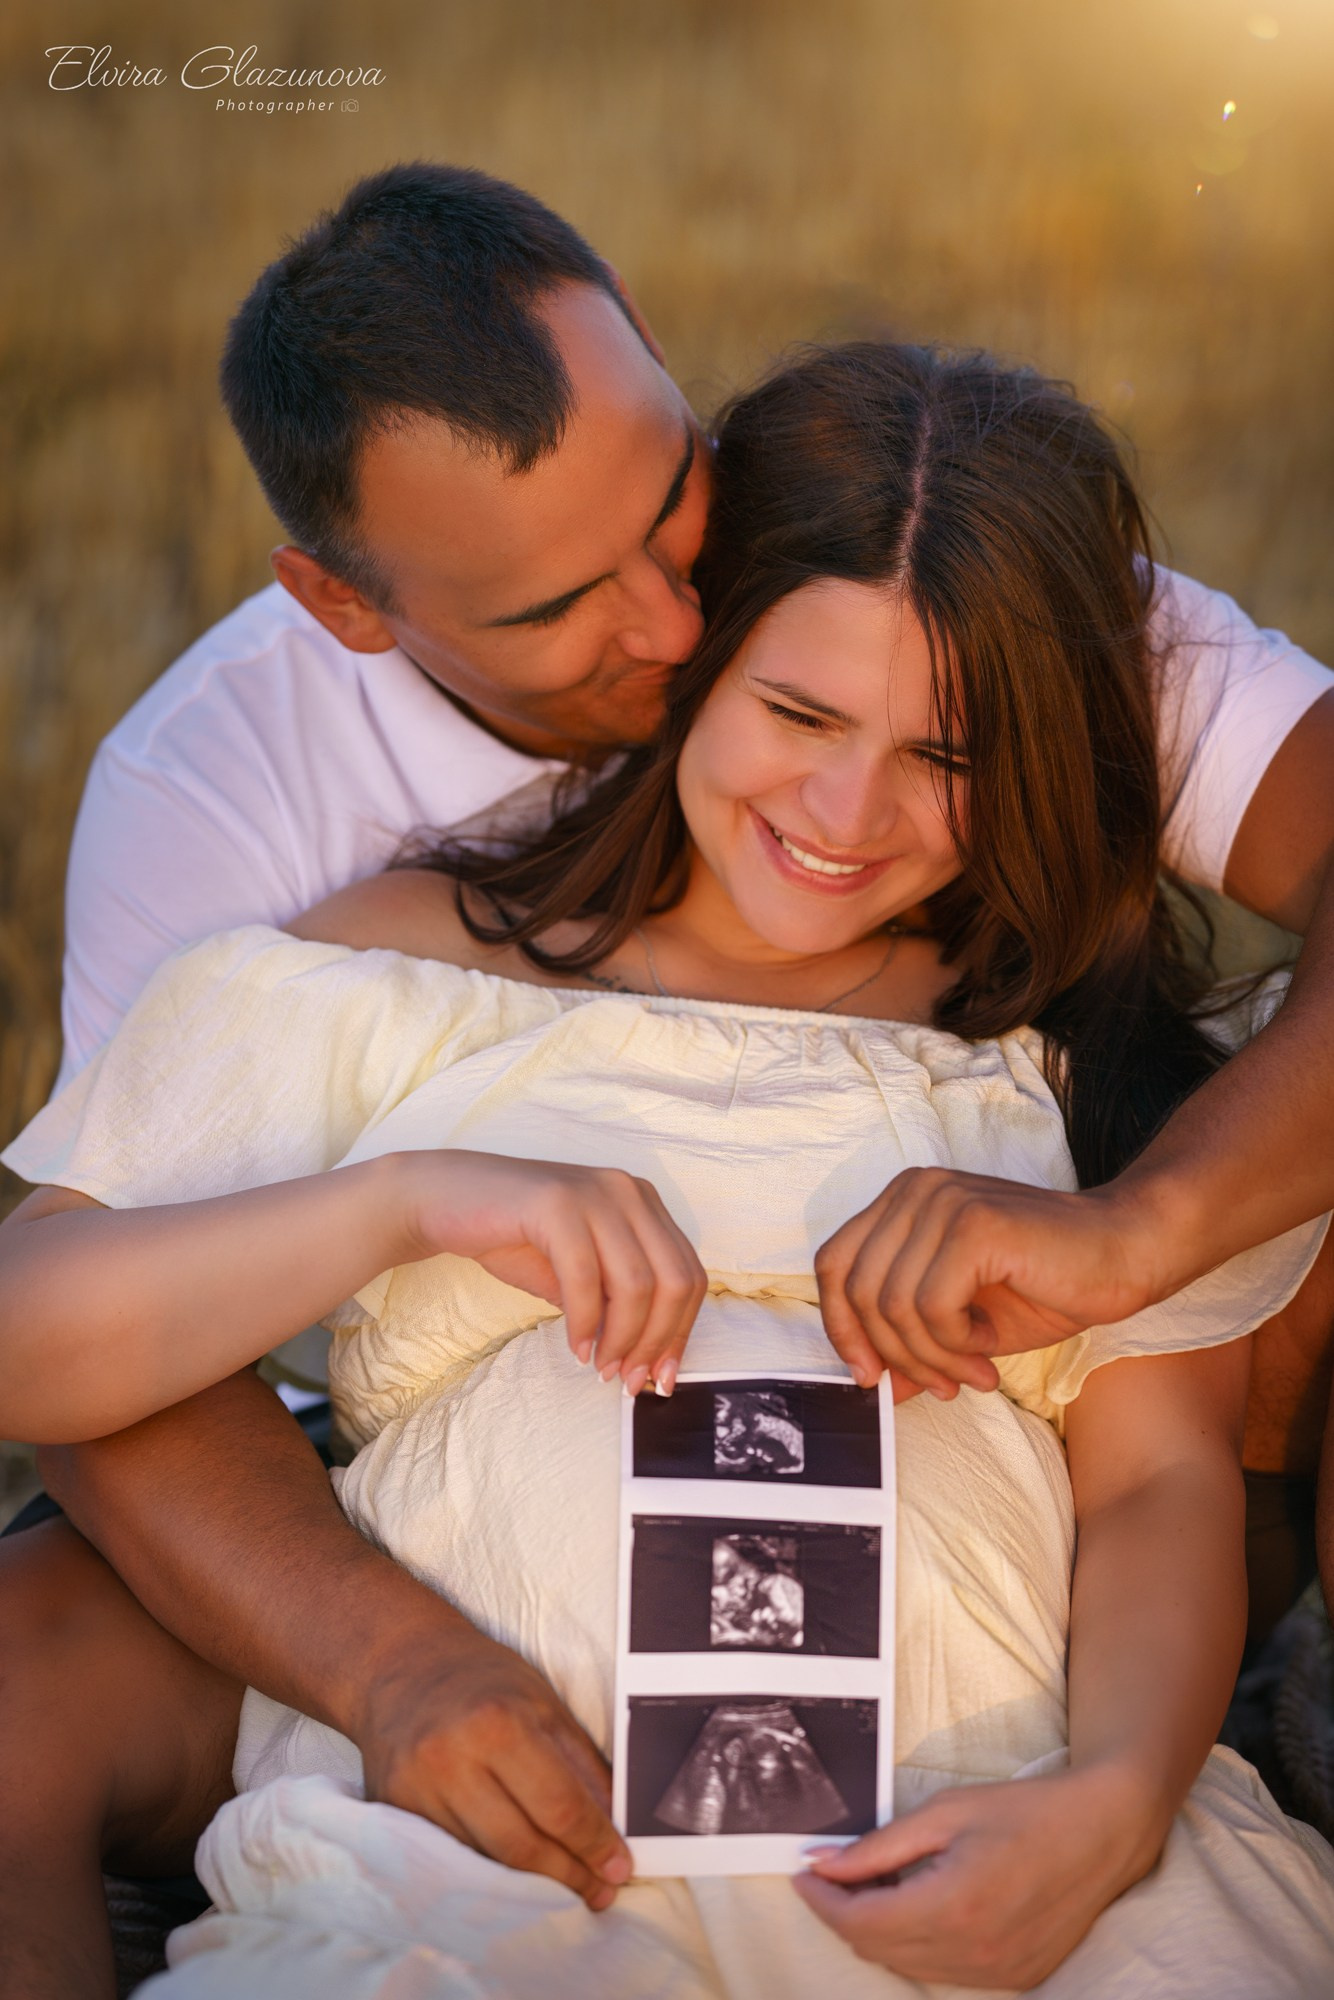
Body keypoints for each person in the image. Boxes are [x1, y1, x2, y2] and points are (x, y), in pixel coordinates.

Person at [0, 160, 1331, 1994]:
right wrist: (413, 1195)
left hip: (972, 1824)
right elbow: (45, 1344)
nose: (847, 810)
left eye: (941, 754)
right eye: (791, 716)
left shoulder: (1033, 1033)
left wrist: (1112, 1793)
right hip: (503, 1863)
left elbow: (1154, 1480)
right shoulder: (377, 943)